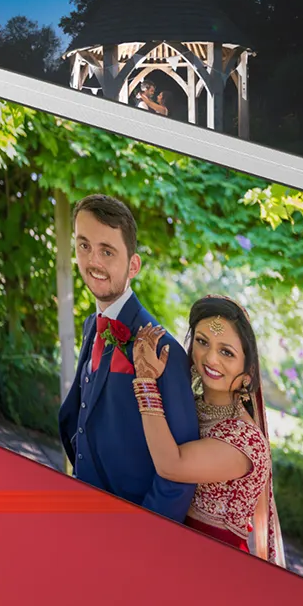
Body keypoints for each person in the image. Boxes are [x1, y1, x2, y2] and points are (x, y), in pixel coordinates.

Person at [57, 194, 199, 523]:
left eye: (107, 251)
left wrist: (143, 535)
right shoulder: (92, 326)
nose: (93, 261)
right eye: (84, 245)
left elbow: (179, 474)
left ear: (133, 265)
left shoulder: (165, 351)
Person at [130, 295, 286, 567]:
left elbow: (171, 464)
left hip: (211, 569)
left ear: (248, 372)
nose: (210, 358)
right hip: (164, 548)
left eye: (227, 352)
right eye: (202, 342)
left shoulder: (246, 441)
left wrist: (144, 379)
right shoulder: (188, 407)